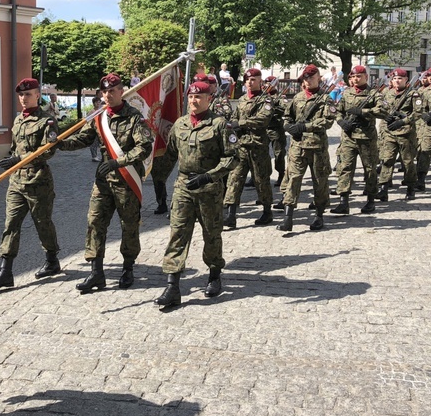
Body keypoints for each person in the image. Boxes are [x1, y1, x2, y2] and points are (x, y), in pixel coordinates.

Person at [58, 73, 154, 291]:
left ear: (121, 91)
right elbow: (83, 139)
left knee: (129, 226)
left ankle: (128, 268)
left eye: (112, 91)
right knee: (95, 223)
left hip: (127, 182)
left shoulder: (134, 118)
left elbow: (144, 147)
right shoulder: (98, 117)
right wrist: (59, 143)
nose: (108, 95)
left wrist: (118, 162)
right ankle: (96, 273)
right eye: (104, 91)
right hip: (103, 183)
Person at [154, 81, 238, 307]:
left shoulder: (221, 125)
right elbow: (170, 154)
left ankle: (214, 274)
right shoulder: (180, 125)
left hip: (209, 188)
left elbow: (232, 158)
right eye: (191, 97)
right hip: (183, 187)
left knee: (212, 233)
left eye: (199, 97)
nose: (193, 100)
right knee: (178, 233)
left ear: (209, 99)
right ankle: (172, 285)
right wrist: (156, 177)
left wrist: (210, 176)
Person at [0, 78, 62, 290]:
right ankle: (5, 271)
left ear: (38, 95)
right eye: (21, 95)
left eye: (28, 94)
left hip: (38, 182)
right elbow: (14, 147)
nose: (23, 98)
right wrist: (11, 159)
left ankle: (52, 260)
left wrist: (19, 159)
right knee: (11, 224)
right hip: (17, 182)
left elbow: (49, 150)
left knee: (42, 223)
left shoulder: (47, 121)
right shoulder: (18, 119)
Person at [278, 64, 336, 231]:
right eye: (306, 77)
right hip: (298, 146)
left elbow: (328, 121)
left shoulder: (326, 99)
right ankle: (288, 217)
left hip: (317, 146)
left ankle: (319, 215)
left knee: (320, 181)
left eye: (311, 77)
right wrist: (289, 127)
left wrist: (305, 127)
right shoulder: (297, 98)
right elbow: (287, 116)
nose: (308, 80)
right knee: (293, 180)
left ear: (318, 77)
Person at [331, 65, 385, 215]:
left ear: (366, 77)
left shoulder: (373, 94)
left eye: (359, 76)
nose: (356, 79)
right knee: (345, 168)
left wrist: (363, 112)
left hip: (366, 138)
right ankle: (343, 202)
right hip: (348, 137)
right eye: (353, 76)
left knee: (370, 169)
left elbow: (383, 110)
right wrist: (341, 122)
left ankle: (370, 200)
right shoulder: (347, 93)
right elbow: (338, 110)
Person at [223, 68, 274, 228]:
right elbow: (234, 117)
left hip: (257, 146)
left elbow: (263, 120)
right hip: (241, 146)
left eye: (253, 79)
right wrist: (232, 125)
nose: (250, 82)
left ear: (260, 81)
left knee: (261, 180)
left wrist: (242, 123)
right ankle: (231, 214)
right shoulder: (243, 99)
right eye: (247, 80)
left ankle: (267, 211)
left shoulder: (266, 100)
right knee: (234, 179)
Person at [377, 69, 419, 201]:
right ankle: (383, 188)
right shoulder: (386, 93)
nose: (397, 81)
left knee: (407, 162)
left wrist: (403, 121)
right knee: (387, 159)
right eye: (395, 79)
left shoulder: (413, 94)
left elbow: (418, 112)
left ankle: (411, 187)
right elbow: (381, 108)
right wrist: (385, 116)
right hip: (389, 132)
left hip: (405, 133)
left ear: (406, 80)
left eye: (400, 78)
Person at [89, 92, 102, 162]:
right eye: (96, 102)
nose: (98, 103)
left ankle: (97, 155)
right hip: (94, 129)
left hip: (100, 128)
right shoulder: (92, 111)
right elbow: (89, 120)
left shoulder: (101, 110)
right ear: (93, 103)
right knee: (94, 143)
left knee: (100, 143)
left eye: (99, 102)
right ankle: (94, 156)